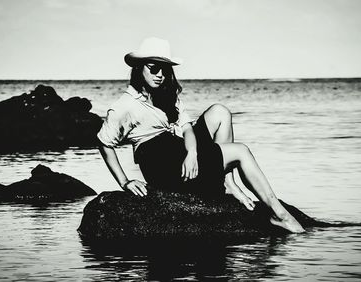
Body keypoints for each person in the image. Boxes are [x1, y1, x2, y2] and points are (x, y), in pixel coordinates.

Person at [97, 37, 305, 233]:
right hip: (160, 163)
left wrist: (192, 152)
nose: (160, 74)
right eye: (153, 68)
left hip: (179, 150)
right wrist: (125, 182)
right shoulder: (125, 105)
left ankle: (228, 184)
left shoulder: (165, 93)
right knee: (240, 151)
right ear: (138, 67)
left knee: (220, 112)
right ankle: (280, 215)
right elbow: (104, 142)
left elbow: (186, 128)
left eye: (164, 69)